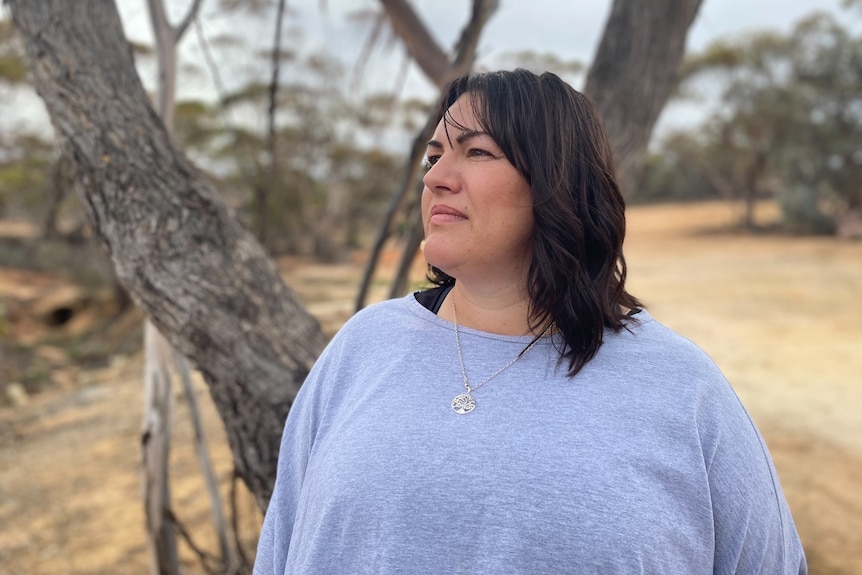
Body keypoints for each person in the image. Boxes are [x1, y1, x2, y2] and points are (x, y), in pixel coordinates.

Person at [254, 69, 807, 574]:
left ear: (556, 183)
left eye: (477, 152)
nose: (437, 178)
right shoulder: (361, 347)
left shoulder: (681, 387)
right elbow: (279, 551)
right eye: (434, 155)